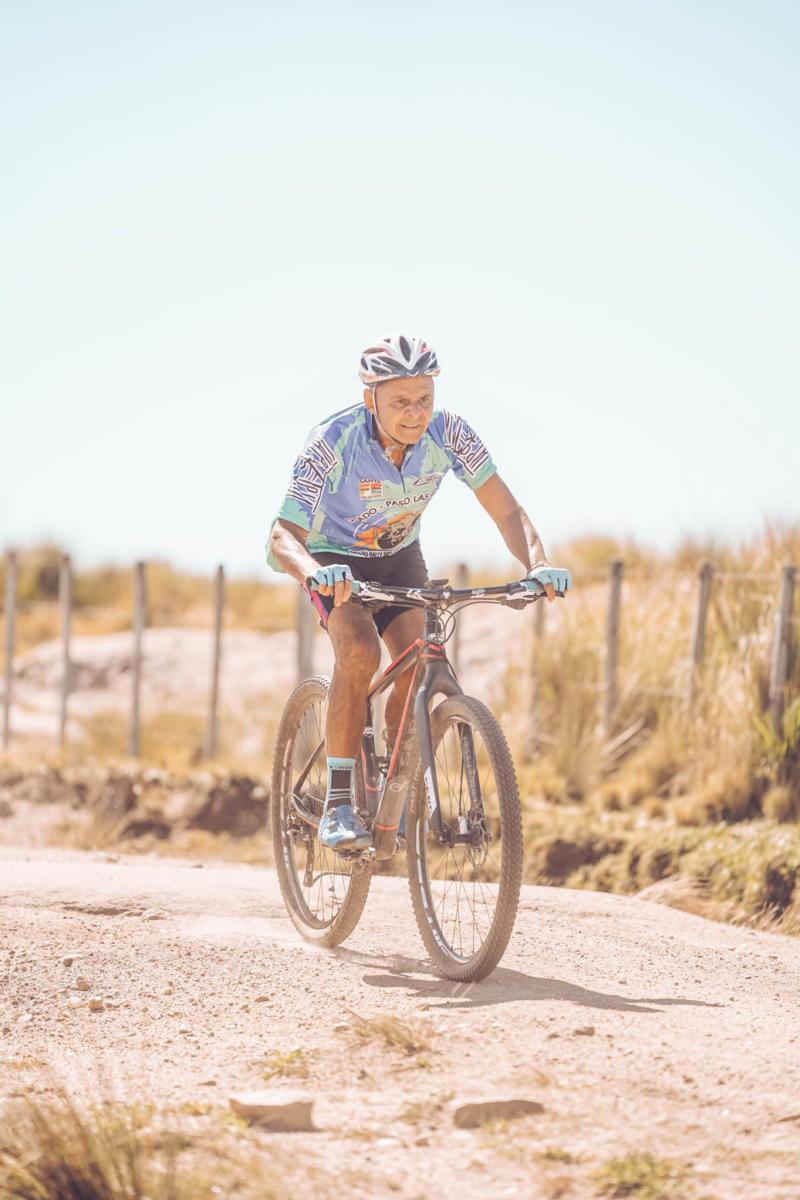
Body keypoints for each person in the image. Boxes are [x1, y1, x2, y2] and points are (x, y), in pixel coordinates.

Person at [267, 333, 570, 852]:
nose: (415, 413)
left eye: (425, 398)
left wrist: (537, 564)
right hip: (333, 561)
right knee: (359, 650)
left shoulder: (450, 433)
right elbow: (280, 537)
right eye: (401, 401)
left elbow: (507, 511)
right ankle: (338, 801)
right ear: (370, 400)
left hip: (398, 555)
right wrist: (314, 572)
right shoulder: (332, 441)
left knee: (418, 663)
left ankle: (391, 783)